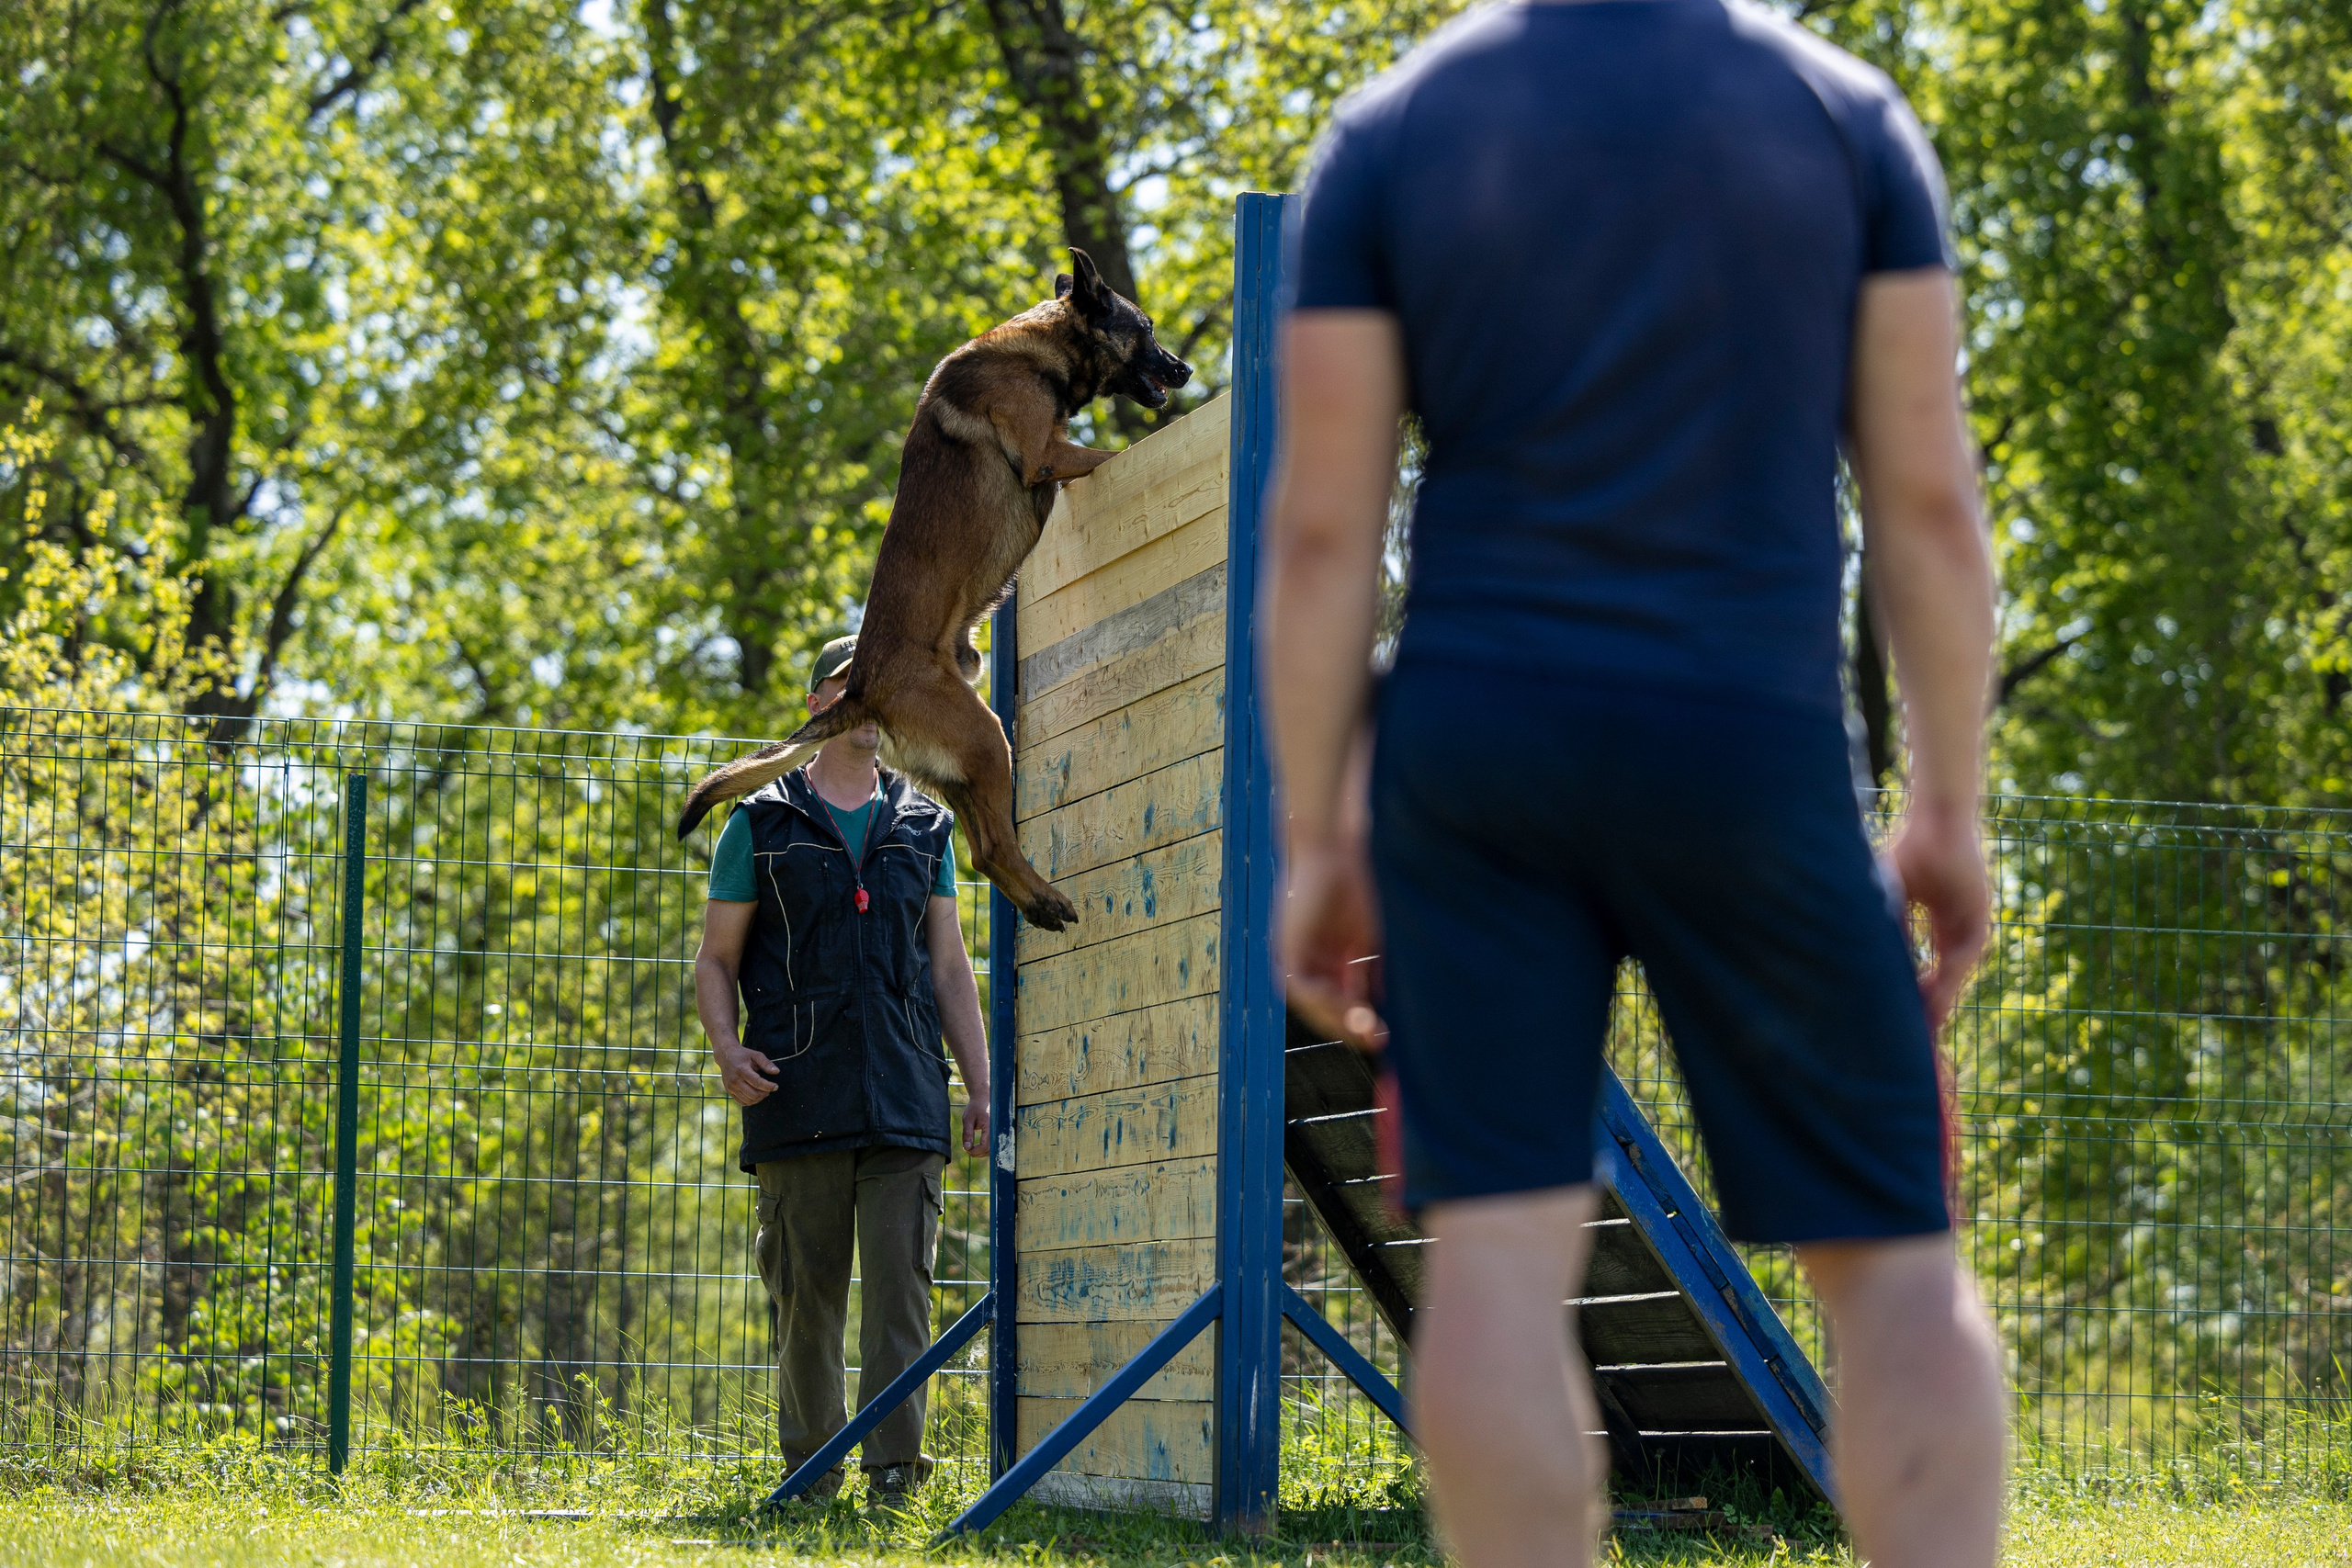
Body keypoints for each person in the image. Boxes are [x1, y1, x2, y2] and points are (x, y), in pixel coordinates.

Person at [1261, 5, 2008, 1567]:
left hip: (1475, 759)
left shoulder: (1392, 134)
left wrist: (1321, 827)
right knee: (1888, 1257)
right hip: (1750, 735)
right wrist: (1947, 802)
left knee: (1497, 1254)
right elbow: (1928, 498)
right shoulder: (1846, 119)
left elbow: (1322, 536)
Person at [694, 633, 990, 1507]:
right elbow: (715, 959)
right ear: (821, 702)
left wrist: (978, 1083)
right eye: (854, 681)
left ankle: (894, 1477)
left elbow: (948, 966)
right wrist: (724, 1045)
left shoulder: (927, 822)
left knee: (902, 1297)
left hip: (905, 1094)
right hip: (794, 1092)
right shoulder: (759, 822)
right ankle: (810, 1477)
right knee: (806, 1299)